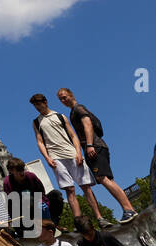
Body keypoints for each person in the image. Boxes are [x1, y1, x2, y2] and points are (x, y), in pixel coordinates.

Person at [56, 88, 137, 223]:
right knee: (105, 179)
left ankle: (129, 209)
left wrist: (89, 145)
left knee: (104, 178)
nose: (63, 100)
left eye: (64, 97)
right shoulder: (73, 111)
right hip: (96, 147)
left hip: (95, 147)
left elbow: (88, 124)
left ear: (71, 95)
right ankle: (128, 209)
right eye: (60, 99)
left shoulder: (78, 108)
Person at [30, 93, 105, 226]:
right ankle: (78, 222)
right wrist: (47, 158)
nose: (37, 107)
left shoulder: (59, 116)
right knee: (69, 190)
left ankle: (99, 217)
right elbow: (40, 142)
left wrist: (78, 152)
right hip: (55, 157)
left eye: (38, 104)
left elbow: (73, 135)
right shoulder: (36, 122)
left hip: (71, 153)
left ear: (45, 102)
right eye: (35, 105)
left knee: (85, 187)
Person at [1, 158, 53, 233]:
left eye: (23, 170)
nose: (22, 173)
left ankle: (51, 224)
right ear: (11, 171)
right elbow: (10, 204)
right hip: (22, 211)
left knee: (55, 195)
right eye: (18, 171)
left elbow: (41, 192)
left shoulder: (31, 176)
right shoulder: (7, 182)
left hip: (38, 206)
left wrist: (43, 203)